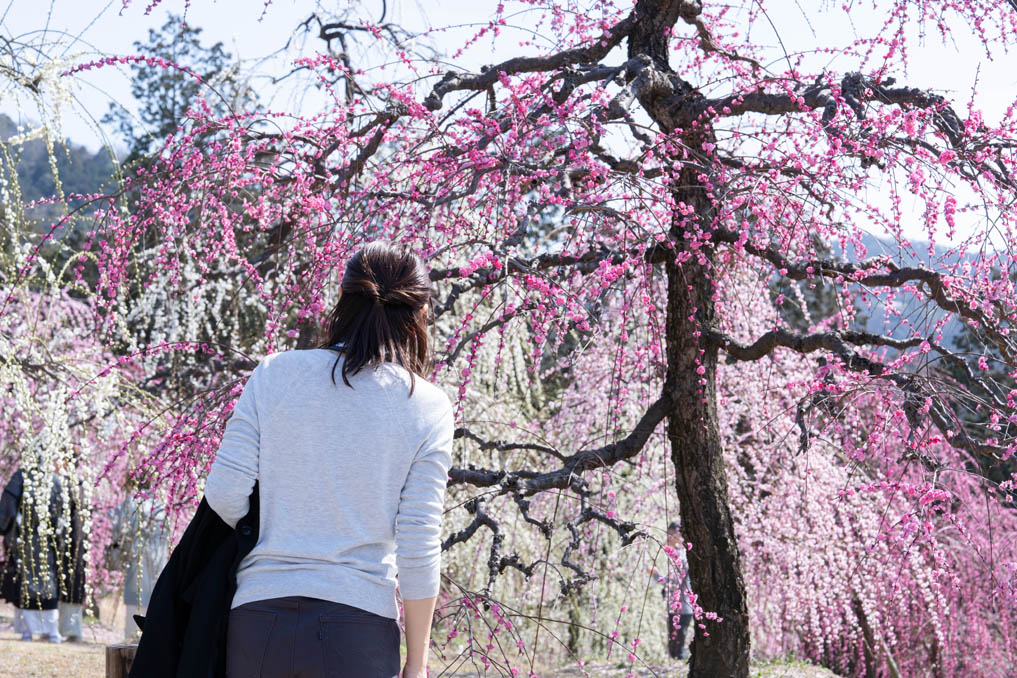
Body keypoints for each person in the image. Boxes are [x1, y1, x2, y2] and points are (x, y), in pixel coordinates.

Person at [204, 240, 455, 678]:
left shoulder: (274, 373)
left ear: (342, 301)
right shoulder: (427, 406)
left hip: (259, 620)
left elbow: (224, 495)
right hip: (357, 627)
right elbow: (418, 545)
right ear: (418, 317)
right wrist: (416, 663)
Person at [0, 466, 65, 643]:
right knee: (38, 582)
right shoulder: (51, 478)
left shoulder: (24, 476)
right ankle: (46, 632)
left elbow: (8, 504)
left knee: (36, 582)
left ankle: (35, 631)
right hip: (35, 539)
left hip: (33, 538)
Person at [650, 520, 695, 661]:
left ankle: (680, 664)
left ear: (680, 535)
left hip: (683, 604)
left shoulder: (681, 555)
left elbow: (675, 580)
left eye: (672, 534)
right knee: (674, 639)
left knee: (678, 641)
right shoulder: (674, 554)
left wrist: (656, 575)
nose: (668, 537)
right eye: (668, 533)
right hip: (675, 604)